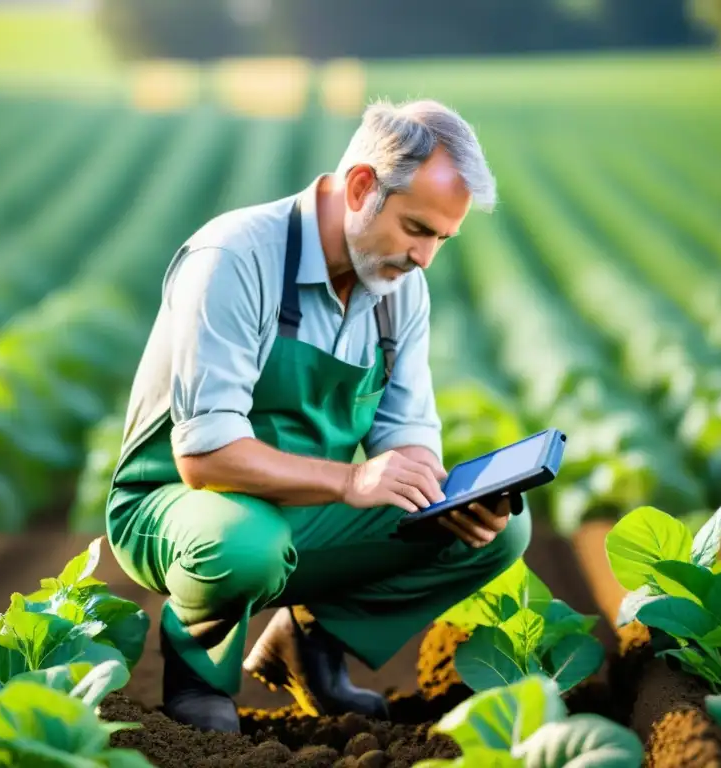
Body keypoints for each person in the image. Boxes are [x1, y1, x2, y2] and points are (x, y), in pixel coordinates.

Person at [104, 98, 532, 733]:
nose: (425, 259)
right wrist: (351, 482)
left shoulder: (398, 290)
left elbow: (409, 439)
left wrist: (455, 496)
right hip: (177, 507)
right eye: (417, 229)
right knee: (245, 542)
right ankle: (198, 683)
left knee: (496, 535)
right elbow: (204, 458)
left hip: (301, 511)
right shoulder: (235, 257)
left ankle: (310, 640)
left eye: (443, 239)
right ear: (362, 186)